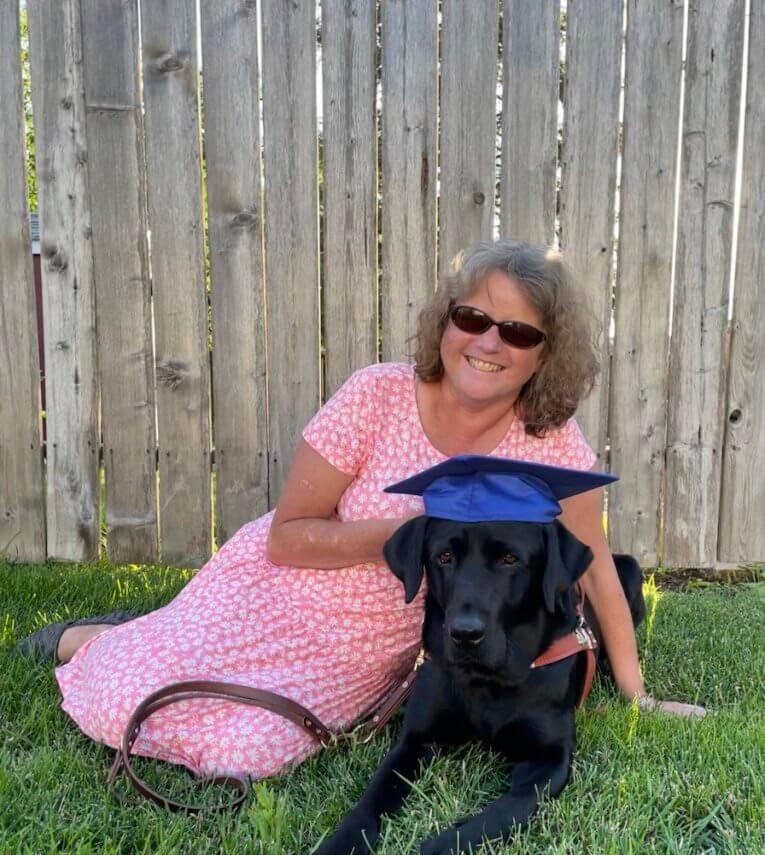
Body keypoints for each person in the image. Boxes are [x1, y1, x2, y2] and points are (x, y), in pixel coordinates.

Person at [20, 239, 706, 781]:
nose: (487, 343)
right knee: (128, 697)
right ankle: (99, 638)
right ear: (445, 323)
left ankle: (138, 635)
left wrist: (636, 691)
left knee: (246, 753)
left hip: (358, 648)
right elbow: (287, 537)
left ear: (543, 356)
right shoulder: (374, 395)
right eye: (471, 318)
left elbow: (596, 574)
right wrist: (406, 534)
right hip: (272, 592)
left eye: (517, 332)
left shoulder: (551, 444)